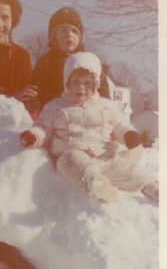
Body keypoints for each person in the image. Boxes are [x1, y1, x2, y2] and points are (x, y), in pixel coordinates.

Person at [20, 52, 159, 205]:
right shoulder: (55, 107)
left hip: (104, 156)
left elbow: (120, 125)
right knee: (76, 164)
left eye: (87, 83)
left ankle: (152, 188)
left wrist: (128, 135)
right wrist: (34, 136)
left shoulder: (106, 106)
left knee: (127, 169)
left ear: (96, 84)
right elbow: (43, 127)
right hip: (70, 154)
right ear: (66, 82)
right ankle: (96, 184)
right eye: (76, 82)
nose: (81, 87)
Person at [31, 7, 110, 111]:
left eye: (74, 31)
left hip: (86, 113)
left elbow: (103, 91)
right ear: (54, 36)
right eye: (63, 31)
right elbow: (35, 89)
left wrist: (104, 111)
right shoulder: (46, 62)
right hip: (56, 114)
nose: (69, 35)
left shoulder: (90, 61)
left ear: (79, 36)